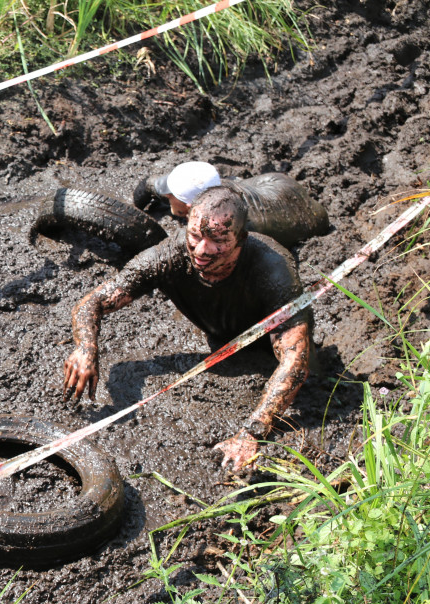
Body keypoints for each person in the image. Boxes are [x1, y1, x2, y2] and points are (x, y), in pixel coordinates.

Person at [62, 186, 312, 470]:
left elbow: (297, 362)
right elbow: (93, 301)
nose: (202, 251)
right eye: (195, 235)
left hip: (269, 356)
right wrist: (86, 349)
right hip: (221, 339)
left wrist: (252, 433)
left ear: (241, 239)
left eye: (218, 240)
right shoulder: (168, 255)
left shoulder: (273, 270)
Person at [133, 161, 329, 248]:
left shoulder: (228, 229)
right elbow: (148, 185)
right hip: (279, 185)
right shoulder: (216, 188)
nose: (166, 194)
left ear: (190, 204)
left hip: (307, 216)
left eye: (170, 195)